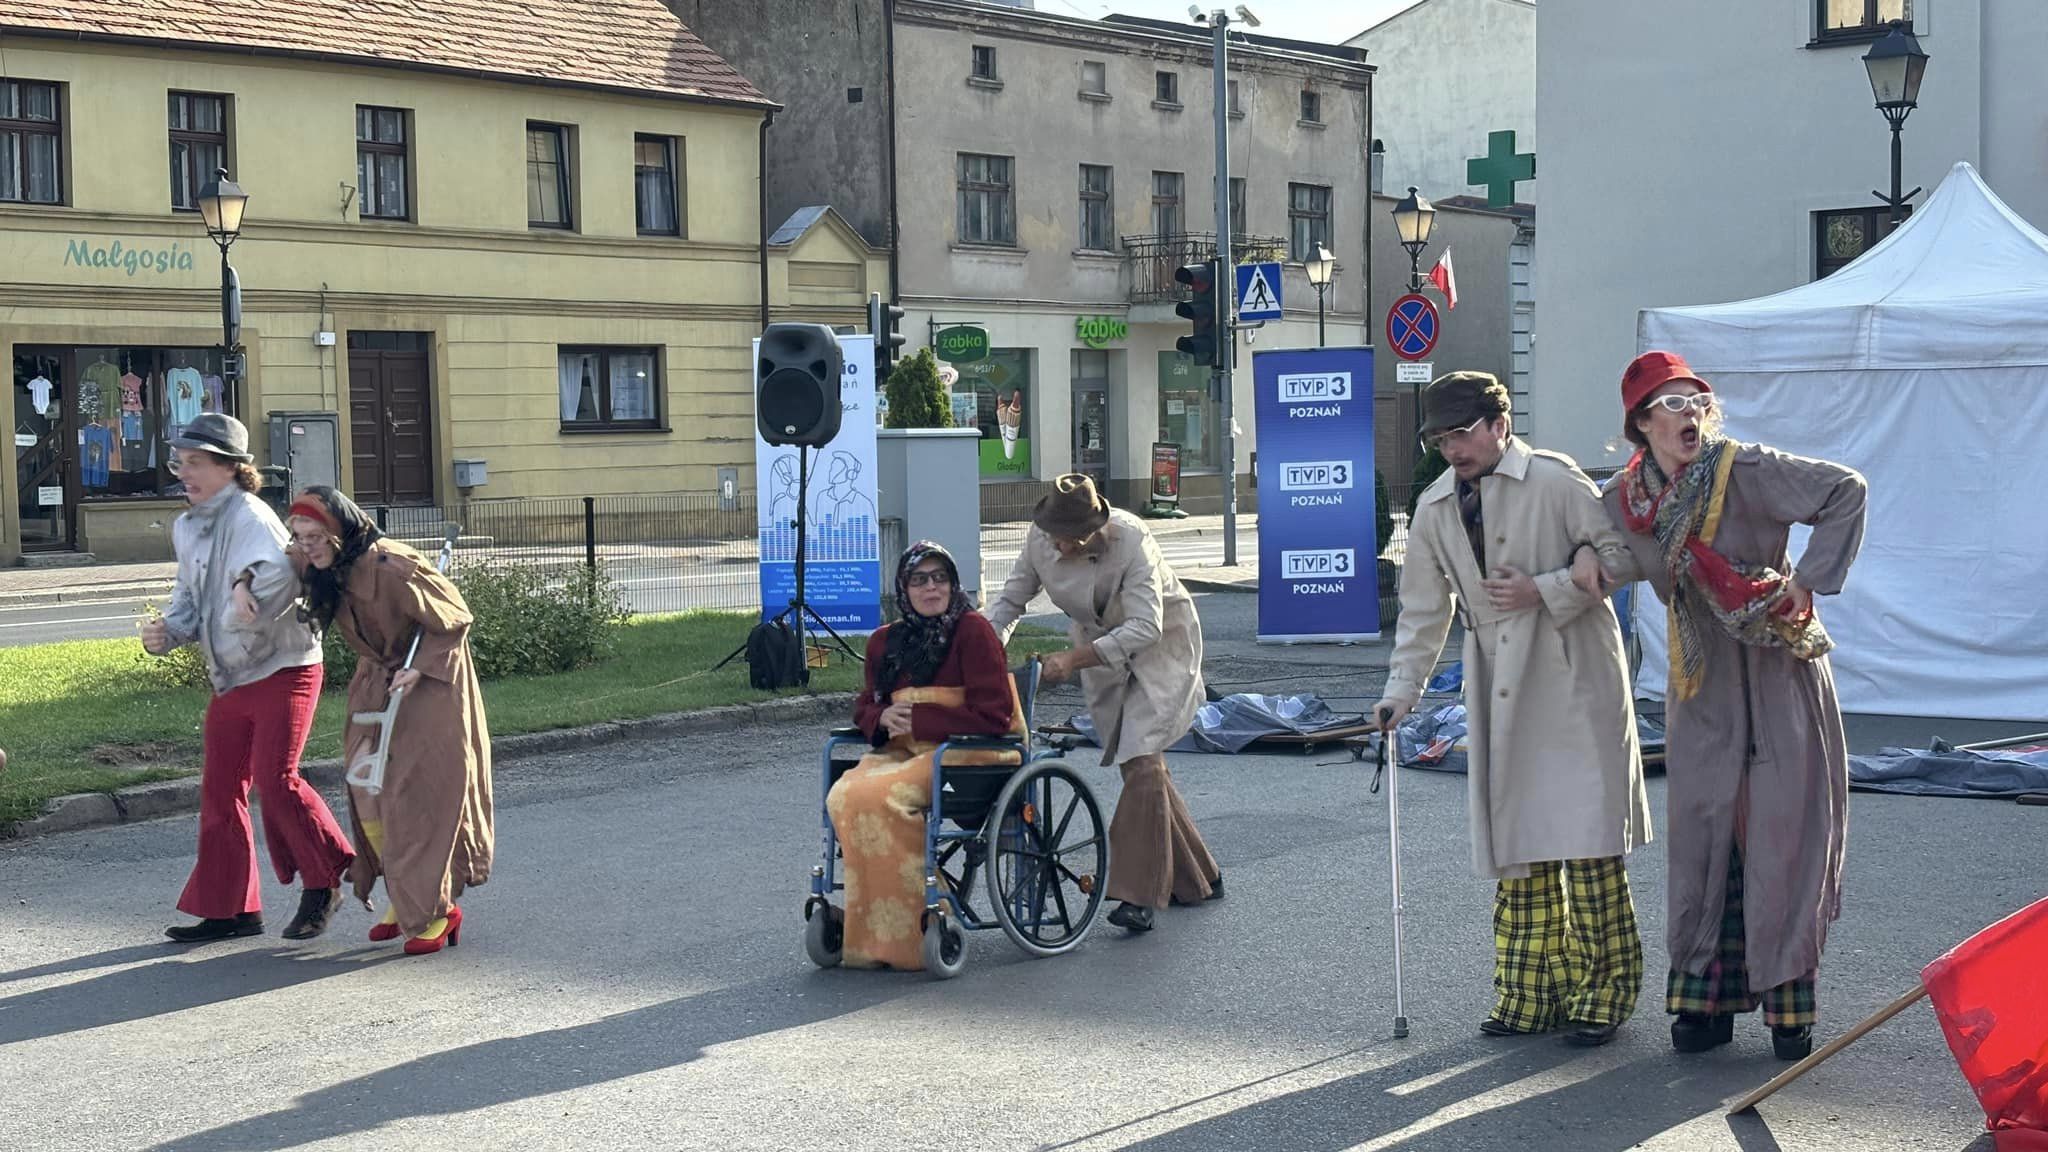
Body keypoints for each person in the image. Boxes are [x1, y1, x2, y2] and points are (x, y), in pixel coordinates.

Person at [1578, 350, 1866, 1061]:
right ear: (1640, 423)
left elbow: (1844, 491)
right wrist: (1587, 559)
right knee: (1705, 837)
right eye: (1671, 404)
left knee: (1782, 834)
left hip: (1777, 670)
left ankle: (1788, 1013)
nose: (1690, 413)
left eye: (1697, 400)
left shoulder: (1747, 469)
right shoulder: (1623, 499)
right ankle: (1702, 1006)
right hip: (1701, 680)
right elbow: (1596, 544)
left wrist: (1809, 581)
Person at [1374, 371, 1652, 1048]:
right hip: (1498, 678)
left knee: (1586, 840)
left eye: (1461, 433)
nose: (1450, 449)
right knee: (1519, 844)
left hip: (1575, 671)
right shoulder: (1437, 504)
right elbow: (1421, 611)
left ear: (1499, 424)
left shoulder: (1557, 482)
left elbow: (1620, 558)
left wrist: (1547, 588)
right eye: (1440, 438)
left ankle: (1603, 995)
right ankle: (1529, 996)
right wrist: (1399, 693)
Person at [141, 414, 353, 944]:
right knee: (219, 789)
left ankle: (323, 881)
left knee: (275, 780)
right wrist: (171, 628)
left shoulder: (252, 516)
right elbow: (188, 595)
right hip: (233, 677)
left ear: (231, 469)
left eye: (196, 463)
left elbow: (282, 571)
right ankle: (230, 910)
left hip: (286, 667)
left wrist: (245, 585)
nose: (184, 472)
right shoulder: (187, 526)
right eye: (180, 462)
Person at [985, 474, 1221, 934]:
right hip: (1098, 646)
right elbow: (1010, 600)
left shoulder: (1132, 539)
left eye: (1072, 538)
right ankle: (1198, 877)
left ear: (1095, 528)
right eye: (1056, 535)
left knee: (1141, 753)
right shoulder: (1040, 540)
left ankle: (1134, 893)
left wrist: (1073, 660)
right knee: (1139, 764)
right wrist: (983, 648)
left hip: (1161, 646)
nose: (1062, 545)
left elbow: (1146, 626)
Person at [287, 487, 494, 957]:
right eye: (299, 537)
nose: (307, 546)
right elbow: (271, 569)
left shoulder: (392, 566)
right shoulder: (318, 565)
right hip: (375, 679)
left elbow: (455, 617)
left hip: (427, 683)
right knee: (368, 790)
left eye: (316, 536)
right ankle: (405, 897)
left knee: (416, 796)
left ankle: (434, 909)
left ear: (340, 532)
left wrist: (419, 668)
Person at [830, 541, 1022, 970]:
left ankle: (916, 927)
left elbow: (993, 716)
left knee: (884, 797)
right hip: (904, 752)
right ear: (904, 587)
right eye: (920, 580)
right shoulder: (886, 641)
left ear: (954, 585)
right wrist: (882, 718)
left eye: (940, 578)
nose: (931, 588)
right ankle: (872, 933)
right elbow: (865, 703)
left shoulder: (974, 632)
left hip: (969, 753)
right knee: (844, 795)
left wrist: (920, 719)